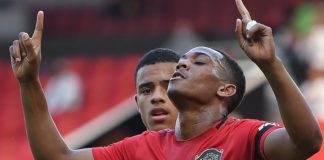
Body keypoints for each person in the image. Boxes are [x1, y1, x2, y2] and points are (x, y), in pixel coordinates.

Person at [9, 0, 322, 160]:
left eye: (197, 62)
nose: (182, 66)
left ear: (225, 89)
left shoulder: (244, 136)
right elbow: (57, 157)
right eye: (181, 62)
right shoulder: (143, 147)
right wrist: (29, 82)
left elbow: (306, 142)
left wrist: (270, 64)